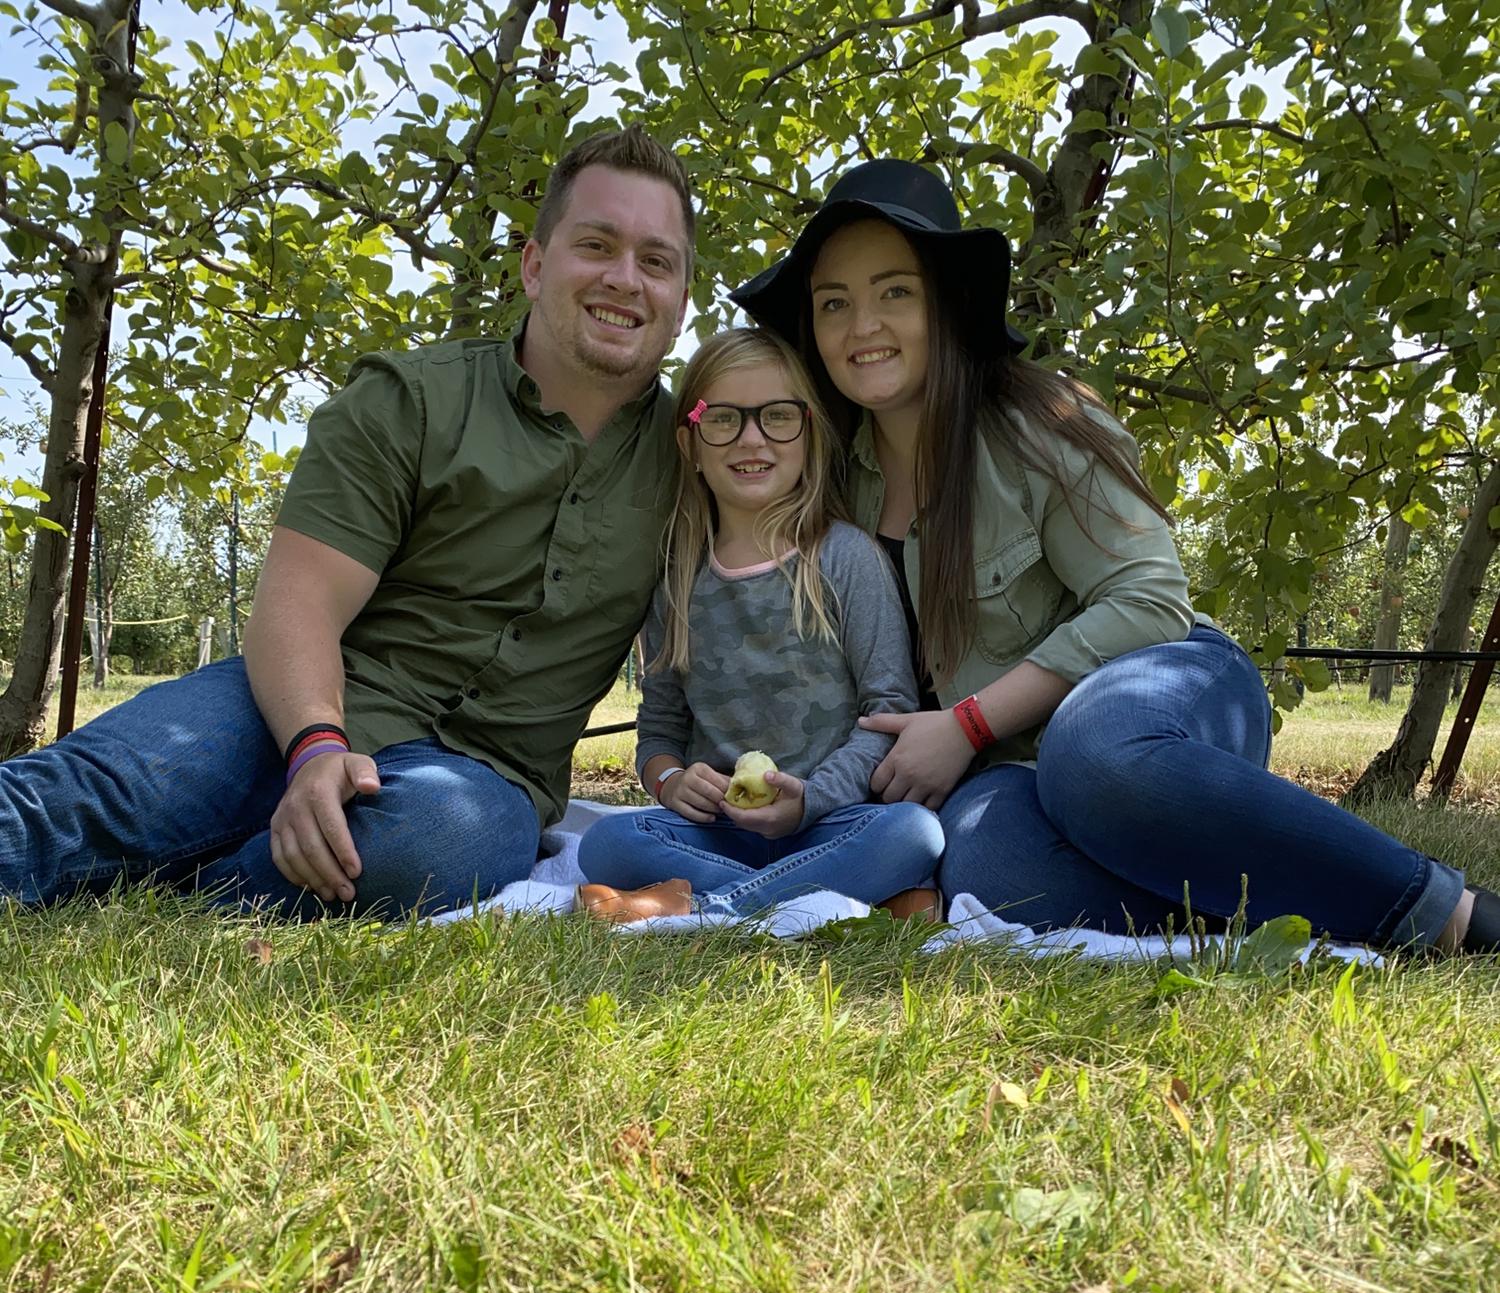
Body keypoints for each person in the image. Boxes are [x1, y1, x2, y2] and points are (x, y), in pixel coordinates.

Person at [731, 160, 1500, 954]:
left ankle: (1444, 912)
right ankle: (1270, 903)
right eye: (834, 303)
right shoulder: (826, 479)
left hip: (1155, 698)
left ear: (947, 303)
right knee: (984, 863)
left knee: (1090, 755)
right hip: (1007, 773)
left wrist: (966, 721)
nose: (863, 327)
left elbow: (1151, 600)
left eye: (895, 291)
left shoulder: (1040, 423)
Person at [0, 126, 695, 920]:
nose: (625, 279)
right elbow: (300, 603)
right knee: (91, 794)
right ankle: (151, 855)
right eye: (597, 244)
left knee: (422, 848)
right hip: (295, 706)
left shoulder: (701, 466)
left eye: (656, 261)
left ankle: (180, 899)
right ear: (535, 267)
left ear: (679, 306)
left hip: (481, 778)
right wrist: (317, 746)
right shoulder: (409, 400)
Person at [574, 326, 944, 924]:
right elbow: (660, 730)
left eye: (777, 416)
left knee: (915, 832)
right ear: (691, 442)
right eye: (720, 418)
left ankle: (704, 904)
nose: (751, 438)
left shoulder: (846, 559)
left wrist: (811, 801)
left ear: (808, 434)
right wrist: (670, 783)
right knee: (608, 843)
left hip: (832, 820)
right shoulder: (677, 576)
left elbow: (888, 710)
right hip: (721, 829)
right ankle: (859, 901)